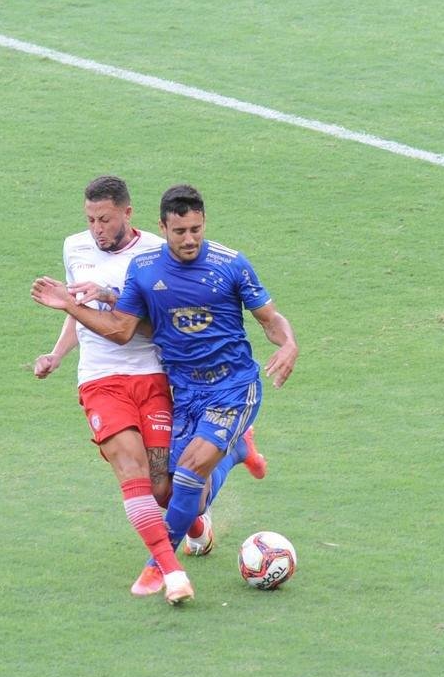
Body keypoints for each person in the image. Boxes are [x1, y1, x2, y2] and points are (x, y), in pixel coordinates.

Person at [33, 184, 298, 605]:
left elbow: (270, 318)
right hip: (185, 389)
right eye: (180, 231)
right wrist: (83, 302)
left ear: (203, 223)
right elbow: (122, 328)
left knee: (191, 472)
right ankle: (237, 452)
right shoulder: (145, 269)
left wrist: (288, 343)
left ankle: (161, 567)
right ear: (164, 227)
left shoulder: (231, 265)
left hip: (233, 387)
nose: (190, 239)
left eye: (196, 229)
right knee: (175, 493)